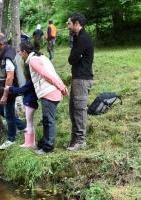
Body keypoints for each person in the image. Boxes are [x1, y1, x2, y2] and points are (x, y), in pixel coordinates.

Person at [17, 41, 68, 155]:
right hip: (48, 92)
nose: (19, 54)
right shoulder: (39, 57)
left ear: (25, 52)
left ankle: (48, 147)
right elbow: (53, 73)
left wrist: (61, 86)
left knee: (49, 121)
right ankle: (42, 143)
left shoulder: (34, 61)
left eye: (19, 51)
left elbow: (48, 75)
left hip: (49, 93)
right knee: (46, 120)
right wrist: (62, 85)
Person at [0, 33, 27, 150]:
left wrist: (5, 95)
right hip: (7, 89)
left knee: (8, 114)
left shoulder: (7, 56)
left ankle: (11, 139)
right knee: (0, 109)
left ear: (1, 44)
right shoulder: (8, 50)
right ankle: (22, 126)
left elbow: (10, 77)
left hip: (9, 89)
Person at [64, 13, 94, 151]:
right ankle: (74, 140)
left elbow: (71, 59)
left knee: (80, 110)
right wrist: (76, 55)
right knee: (73, 109)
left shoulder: (83, 39)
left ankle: (81, 141)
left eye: (69, 23)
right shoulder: (78, 38)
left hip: (82, 79)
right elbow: (74, 57)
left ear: (77, 24)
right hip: (77, 78)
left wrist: (76, 55)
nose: (68, 26)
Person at [4, 54, 38, 148]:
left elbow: (21, 90)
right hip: (30, 103)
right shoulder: (32, 81)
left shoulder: (30, 81)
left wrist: (10, 88)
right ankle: (30, 142)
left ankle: (29, 143)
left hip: (29, 103)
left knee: (29, 124)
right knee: (29, 123)